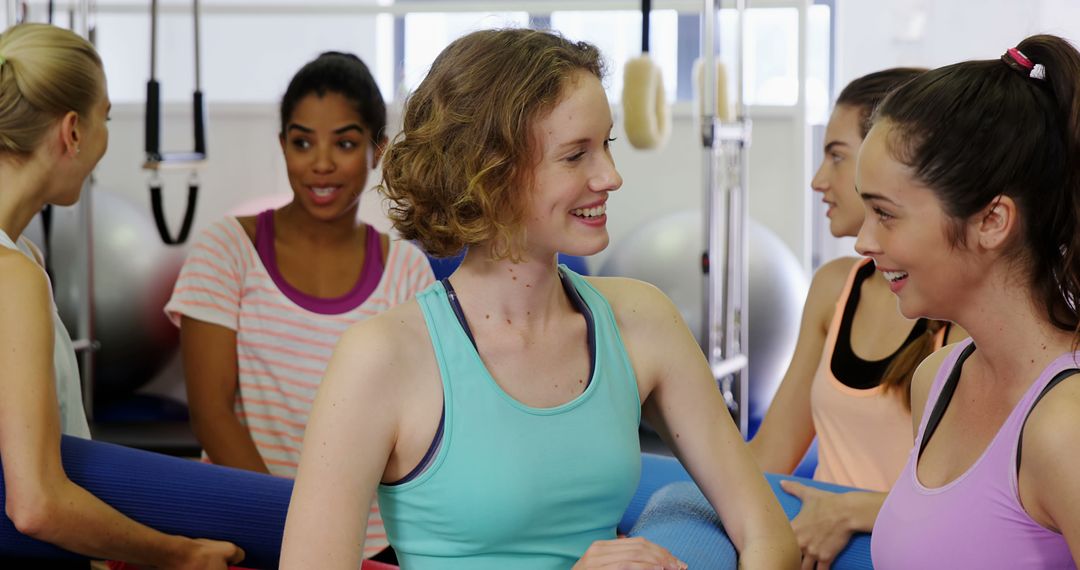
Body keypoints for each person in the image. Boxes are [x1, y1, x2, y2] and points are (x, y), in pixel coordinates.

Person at [280, 28, 799, 569]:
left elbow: (767, 534)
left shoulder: (642, 321)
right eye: (575, 156)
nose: (611, 177)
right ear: (489, 173)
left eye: (607, 146)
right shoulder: (381, 359)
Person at [165, 51, 435, 560]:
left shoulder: (407, 272)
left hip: (368, 541)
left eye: (346, 142)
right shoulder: (226, 250)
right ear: (283, 144)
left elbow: (412, 430)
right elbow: (211, 414)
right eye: (302, 141)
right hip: (244, 525)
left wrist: (332, 538)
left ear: (378, 149)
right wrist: (290, 525)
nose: (322, 163)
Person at [0, 22, 243, 568]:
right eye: (104, 117)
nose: (105, 138)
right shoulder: (11, 275)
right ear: (72, 131)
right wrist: (180, 555)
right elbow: (36, 503)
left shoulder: (25, 263)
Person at [860, 35, 1080, 567]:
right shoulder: (935, 379)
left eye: (885, 213)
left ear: (992, 222)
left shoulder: (1066, 426)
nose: (864, 241)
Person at [748, 67, 967, 568]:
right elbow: (768, 458)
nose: (818, 179)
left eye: (836, 155)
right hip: (815, 542)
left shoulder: (960, 319)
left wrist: (856, 512)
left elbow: (973, 510)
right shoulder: (835, 287)